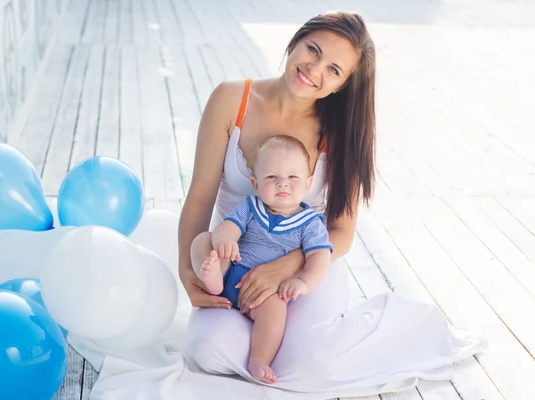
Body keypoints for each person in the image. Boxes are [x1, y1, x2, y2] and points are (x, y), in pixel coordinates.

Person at [178, 10, 483, 396]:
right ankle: (262, 344)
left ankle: (392, 324)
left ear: (342, 85)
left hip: (308, 264)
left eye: (334, 70)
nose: (314, 69)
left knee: (313, 364)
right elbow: (200, 197)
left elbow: (341, 230)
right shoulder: (231, 98)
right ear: (296, 41)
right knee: (208, 350)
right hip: (235, 264)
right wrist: (186, 272)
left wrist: (286, 268)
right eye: (313, 50)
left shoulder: (340, 131)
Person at [190, 135, 333, 383]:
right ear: (255, 185)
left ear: (308, 183)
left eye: (292, 177)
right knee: (203, 240)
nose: (283, 184)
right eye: (272, 177)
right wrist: (225, 240)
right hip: (232, 267)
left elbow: (320, 258)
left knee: (276, 312)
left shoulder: (310, 224)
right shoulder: (251, 206)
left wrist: (303, 282)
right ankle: (213, 282)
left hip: (265, 293)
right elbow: (228, 227)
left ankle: (259, 358)